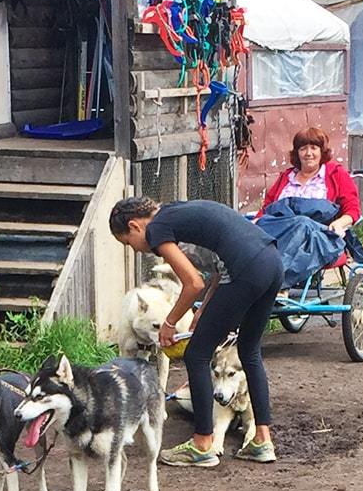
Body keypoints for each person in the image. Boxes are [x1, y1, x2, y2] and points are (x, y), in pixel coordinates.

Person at [110, 197, 283, 466]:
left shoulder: (157, 228)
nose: (134, 249)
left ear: (134, 226)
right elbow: (220, 264)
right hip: (271, 263)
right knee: (249, 350)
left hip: (247, 270)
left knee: (197, 356)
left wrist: (169, 323)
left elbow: (192, 282)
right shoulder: (177, 211)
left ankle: (202, 444)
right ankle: (262, 441)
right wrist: (203, 310)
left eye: (127, 242)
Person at [257, 126, 362, 235]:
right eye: (303, 149)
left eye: (313, 148)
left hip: (320, 242)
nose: (308, 153)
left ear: (322, 151)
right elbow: (266, 209)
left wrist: (339, 223)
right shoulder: (286, 177)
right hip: (281, 239)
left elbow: (352, 209)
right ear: (297, 153)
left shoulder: (336, 174)